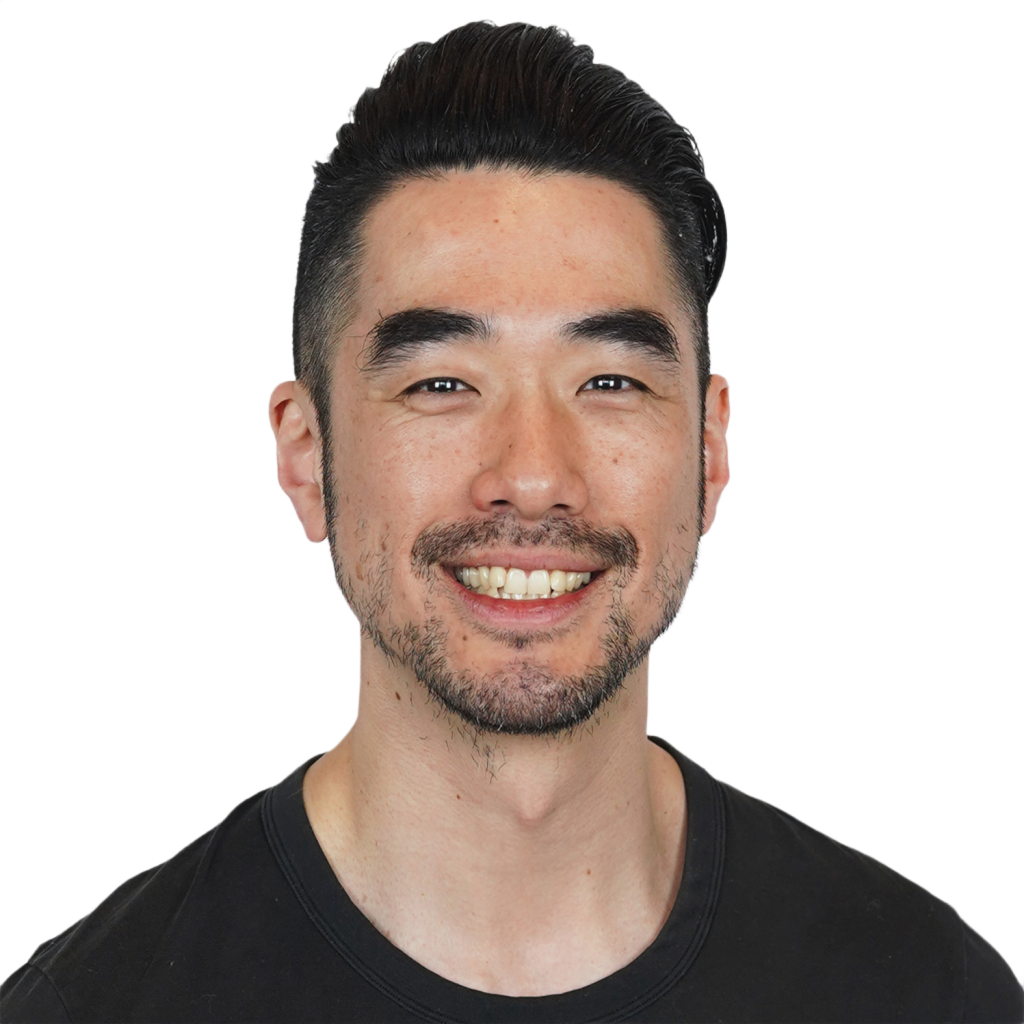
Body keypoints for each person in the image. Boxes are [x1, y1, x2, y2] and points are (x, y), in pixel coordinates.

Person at [2, 18, 1020, 1023]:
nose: (533, 478)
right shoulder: (91, 1007)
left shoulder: (929, 993)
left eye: (610, 381)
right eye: (442, 383)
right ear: (306, 455)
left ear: (710, 449)